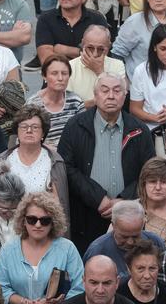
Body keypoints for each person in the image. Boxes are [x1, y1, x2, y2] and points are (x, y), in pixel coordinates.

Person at [58, 72, 155, 251]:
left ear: (125, 95)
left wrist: (124, 200)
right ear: (95, 95)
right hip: (86, 213)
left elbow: (148, 172)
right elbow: (66, 168)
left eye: (117, 90)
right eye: (105, 90)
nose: (111, 96)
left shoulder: (140, 130)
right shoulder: (75, 126)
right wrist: (97, 197)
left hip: (129, 216)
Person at [0, 191, 84, 304]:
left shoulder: (67, 249)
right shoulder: (9, 250)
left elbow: (79, 289)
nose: (38, 225)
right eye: (32, 219)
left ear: (54, 222)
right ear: (23, 220)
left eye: (45, 220)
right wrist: (25, 302)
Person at [0, 105, 69, 209]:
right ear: (17, 132)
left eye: (35, 127)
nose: (29, 130)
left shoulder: (54, 162)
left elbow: (59, 206)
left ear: (43, 133)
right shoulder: (4, 160)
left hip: (40, 223)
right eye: (24, 127)